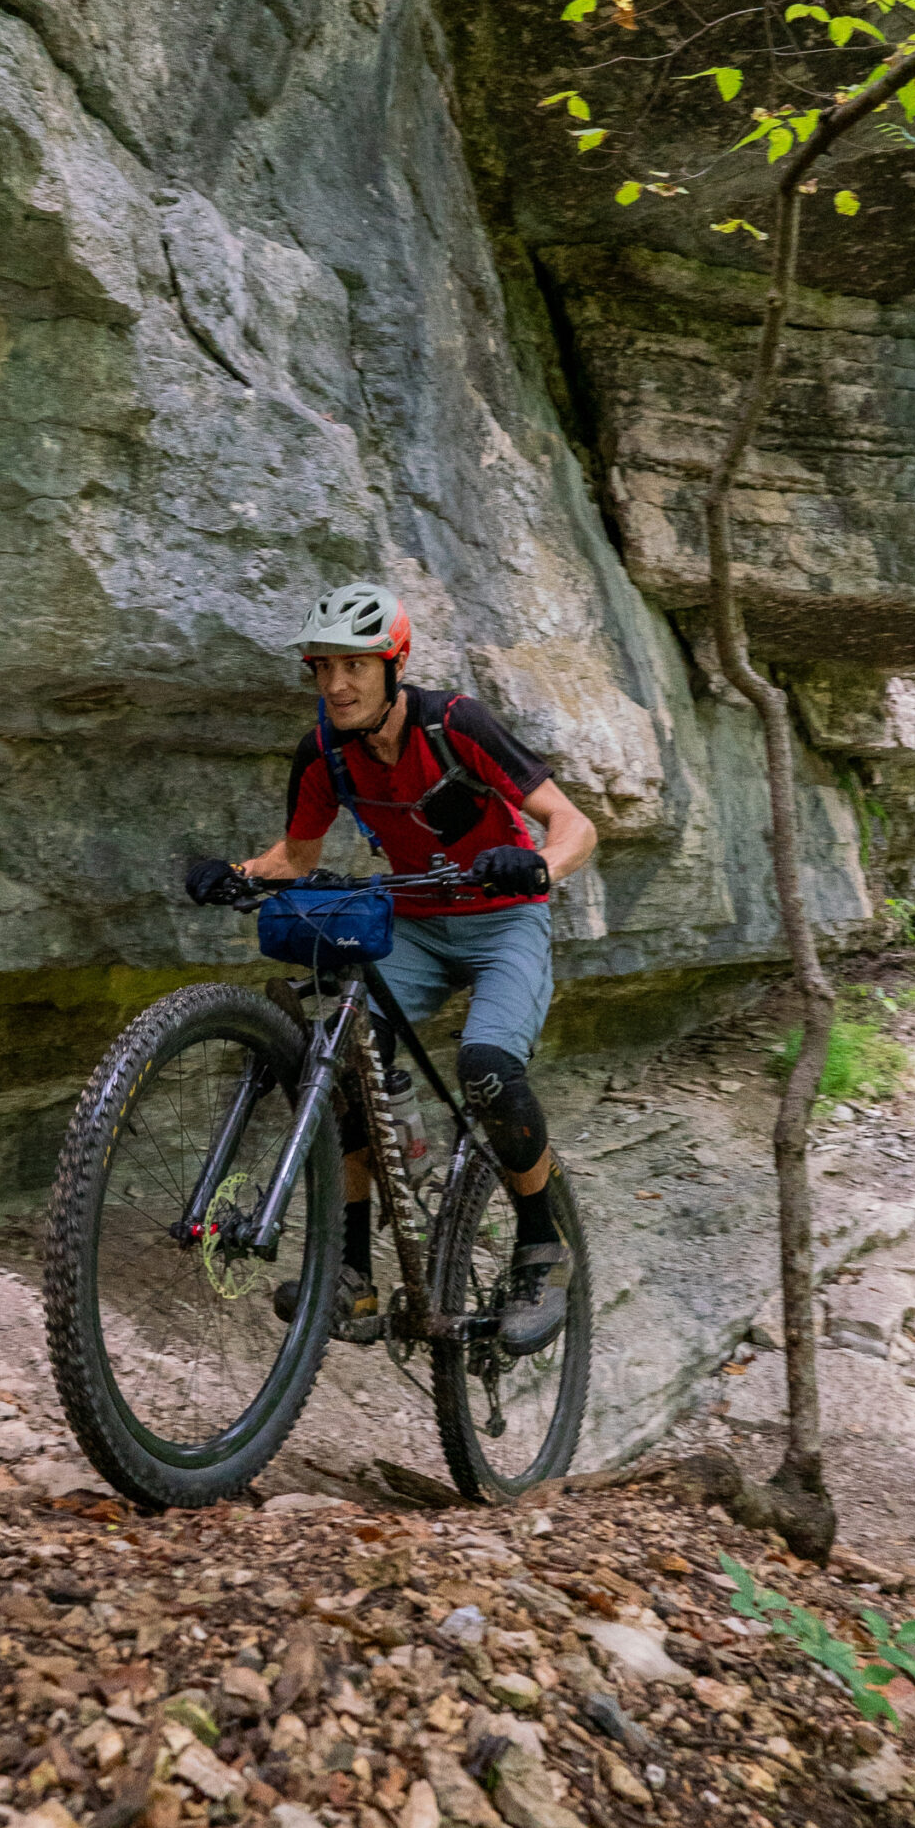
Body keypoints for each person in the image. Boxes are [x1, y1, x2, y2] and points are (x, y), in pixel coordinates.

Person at [186, 581, 597, 1356]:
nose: (336, 684)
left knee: (486, 1066)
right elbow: (296, 857)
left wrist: (538, 866)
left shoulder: (456, 724)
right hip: (411, 922)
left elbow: (575, 824)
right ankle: (351, 1274)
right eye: (322, 667)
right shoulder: (324, 751)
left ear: (393, 666)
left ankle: (543, 1248)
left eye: (355, 666)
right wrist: (236, 874)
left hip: (504, 920)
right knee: (341, 1060)